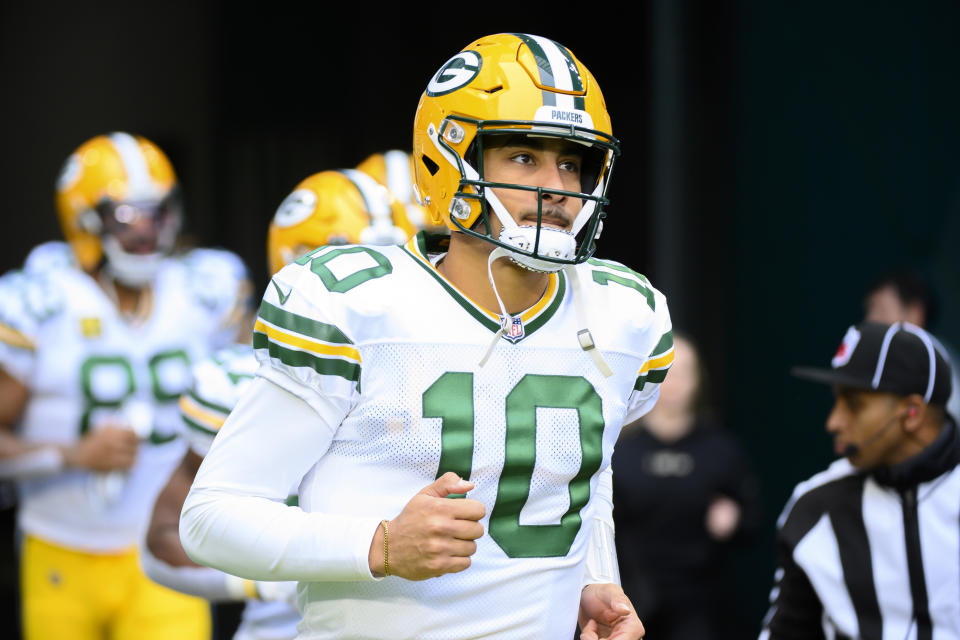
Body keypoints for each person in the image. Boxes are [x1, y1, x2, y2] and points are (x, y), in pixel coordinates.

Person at [181, 33, 671, 640]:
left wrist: (594, 576)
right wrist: (380, 544)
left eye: (571, 162)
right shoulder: (356, 306)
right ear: (450, 159)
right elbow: (210, 518)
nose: (560, 188)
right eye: (524, 158)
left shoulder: (624, 314)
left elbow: (585, 477)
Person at [141, 168, 416, 640]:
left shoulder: (436, 369)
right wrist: (267, 583)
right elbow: (163, 542)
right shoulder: (231, 384)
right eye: (364, 266)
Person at [0, 132, 249, 639]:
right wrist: (70, 454)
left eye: (159, 212)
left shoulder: (206, 288)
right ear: (85, 219)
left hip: (166, 544)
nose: (149, 230)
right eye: (129, 216)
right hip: (62, 548)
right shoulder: (39, 303)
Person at [760, 321, 958, 639]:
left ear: (913, 412)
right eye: (836, 401)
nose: (833, 422)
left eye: (854, 404)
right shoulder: (815, 506)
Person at [612, 333, 759, 639]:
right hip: (630, 601)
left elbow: (752, 518)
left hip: (699, 606)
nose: (674, 383)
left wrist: (734, 518)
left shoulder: (720, 450)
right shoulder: (620, 450)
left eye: (684, 373)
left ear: (697, 381)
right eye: (667, 373)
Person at [864, 270, 960, 422]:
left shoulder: (932, 360)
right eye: (869, 311)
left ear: (915, 313)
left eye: (881, 310)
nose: (870, 320)